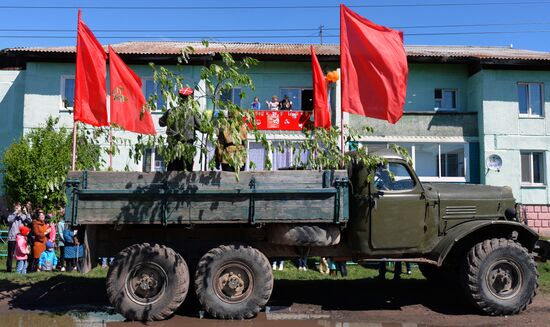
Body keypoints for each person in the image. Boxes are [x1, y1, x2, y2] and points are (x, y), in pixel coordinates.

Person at [158, 87, 202, 171]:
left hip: (173, 148)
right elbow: (204, 129)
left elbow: (161, 123)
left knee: (172, 172)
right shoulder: (192, 113)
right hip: (187, 148)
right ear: (190, 99)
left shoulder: (170, 111)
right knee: (186, 174)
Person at [6, 202, 31, 272]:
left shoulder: (23, 216)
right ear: (14, 208)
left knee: (21, 254)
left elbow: (29, 221)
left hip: (21, 239)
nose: (17, 208)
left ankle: (19, 268)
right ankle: (9, 269)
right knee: (10, 254)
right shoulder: (11, 215)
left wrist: (26, 213)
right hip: (12, 237)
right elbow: (9, 220)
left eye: (18, 207)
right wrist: (16, 212)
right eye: (16, 207)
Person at [57, 207, 66, 272]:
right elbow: (60, 233)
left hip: (68, 240)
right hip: (62, 241)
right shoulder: (60, 223)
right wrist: (65, 239)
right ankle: (62, 266)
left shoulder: (67, 222)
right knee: (62, 253)